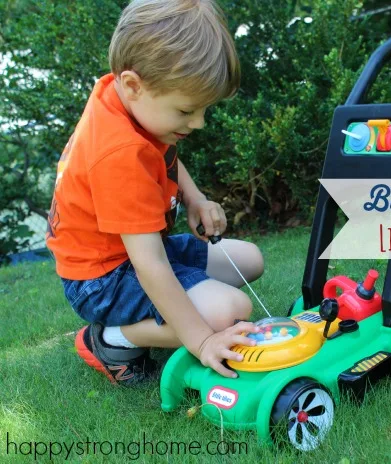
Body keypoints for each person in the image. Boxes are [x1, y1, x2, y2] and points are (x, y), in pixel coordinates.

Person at [45, 0, 264, 386]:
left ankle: (182, 304)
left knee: (249, 260)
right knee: (230, 312)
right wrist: (203, 340)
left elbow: (164, 155)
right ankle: (109, 339)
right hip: (103, 278)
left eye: (203, 110)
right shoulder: (118, 152)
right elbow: (150, 267)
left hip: (138, 251)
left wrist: (194, 198)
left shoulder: (127, 99)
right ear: (132, 85)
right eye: (186, 111)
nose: (197, 123)